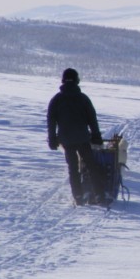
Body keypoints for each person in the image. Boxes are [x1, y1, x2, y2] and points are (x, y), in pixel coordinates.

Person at [47, 68, 106, 205]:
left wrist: (52, 139)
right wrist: (96, 136)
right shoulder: (83, 99)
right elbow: (92, 119)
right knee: (92, 167)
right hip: (83, 139)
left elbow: (51, 121)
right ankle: (100, 195)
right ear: (77, 80)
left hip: (66, 141)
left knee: (73, 169)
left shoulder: (56, 100)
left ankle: (78, 197)